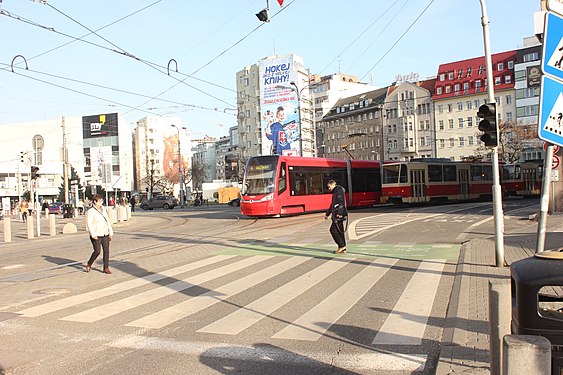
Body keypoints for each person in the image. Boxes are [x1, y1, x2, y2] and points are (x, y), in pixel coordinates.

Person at [85, 194, 114, 274]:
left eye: (102, 200)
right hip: (96, 234)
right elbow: (89, 223)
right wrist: (93, 234)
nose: (101, 202)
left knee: (106, 251)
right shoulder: (91, 211)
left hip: (105, 232)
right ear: (95, 202)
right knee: (97, 251)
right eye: (100, 201)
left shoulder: (103, 209)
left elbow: (107, 220)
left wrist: (110, 232)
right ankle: (89, 263)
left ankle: (106, 267)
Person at [324, 180, 348, 254]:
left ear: (333, 185)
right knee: (340, 231)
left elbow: (341, 202)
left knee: (333, 230)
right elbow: (333, 204)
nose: (328, 189)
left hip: (338, 214)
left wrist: (340, 213)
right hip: (337, 214)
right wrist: (327, 214)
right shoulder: (336, 191)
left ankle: (341, 246)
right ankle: (343, 248)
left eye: (329, 187)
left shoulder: (338, 190)